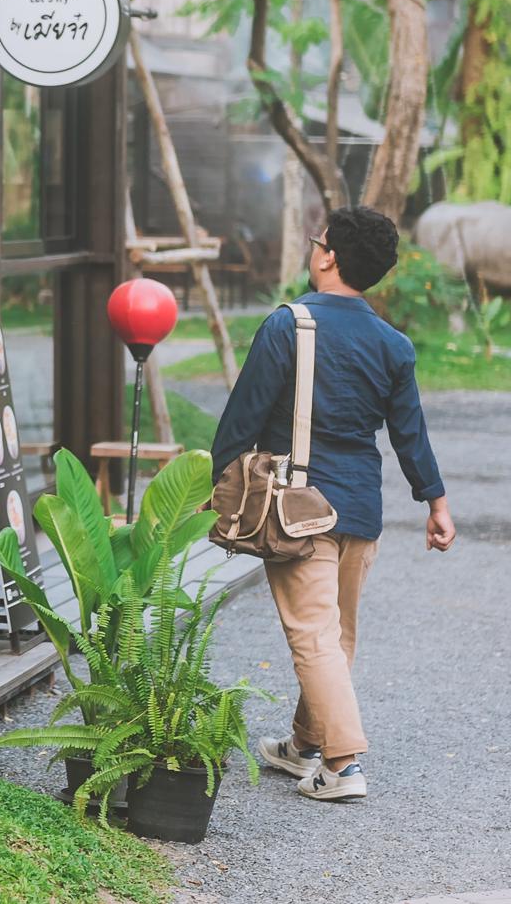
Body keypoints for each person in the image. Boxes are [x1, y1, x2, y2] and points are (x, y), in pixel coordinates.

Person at [210, 204, 456, 803]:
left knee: (313, 637)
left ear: (328, 256)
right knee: (336, 633)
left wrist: (215, 487)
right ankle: (303, 748)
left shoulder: (286, 325)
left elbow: (242, 417)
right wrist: (436, 503)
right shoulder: (392, 343)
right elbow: (409, 432)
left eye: (317, 240)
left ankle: (343, 765)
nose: (314, 247)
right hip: (361, 509)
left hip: (297, 509)